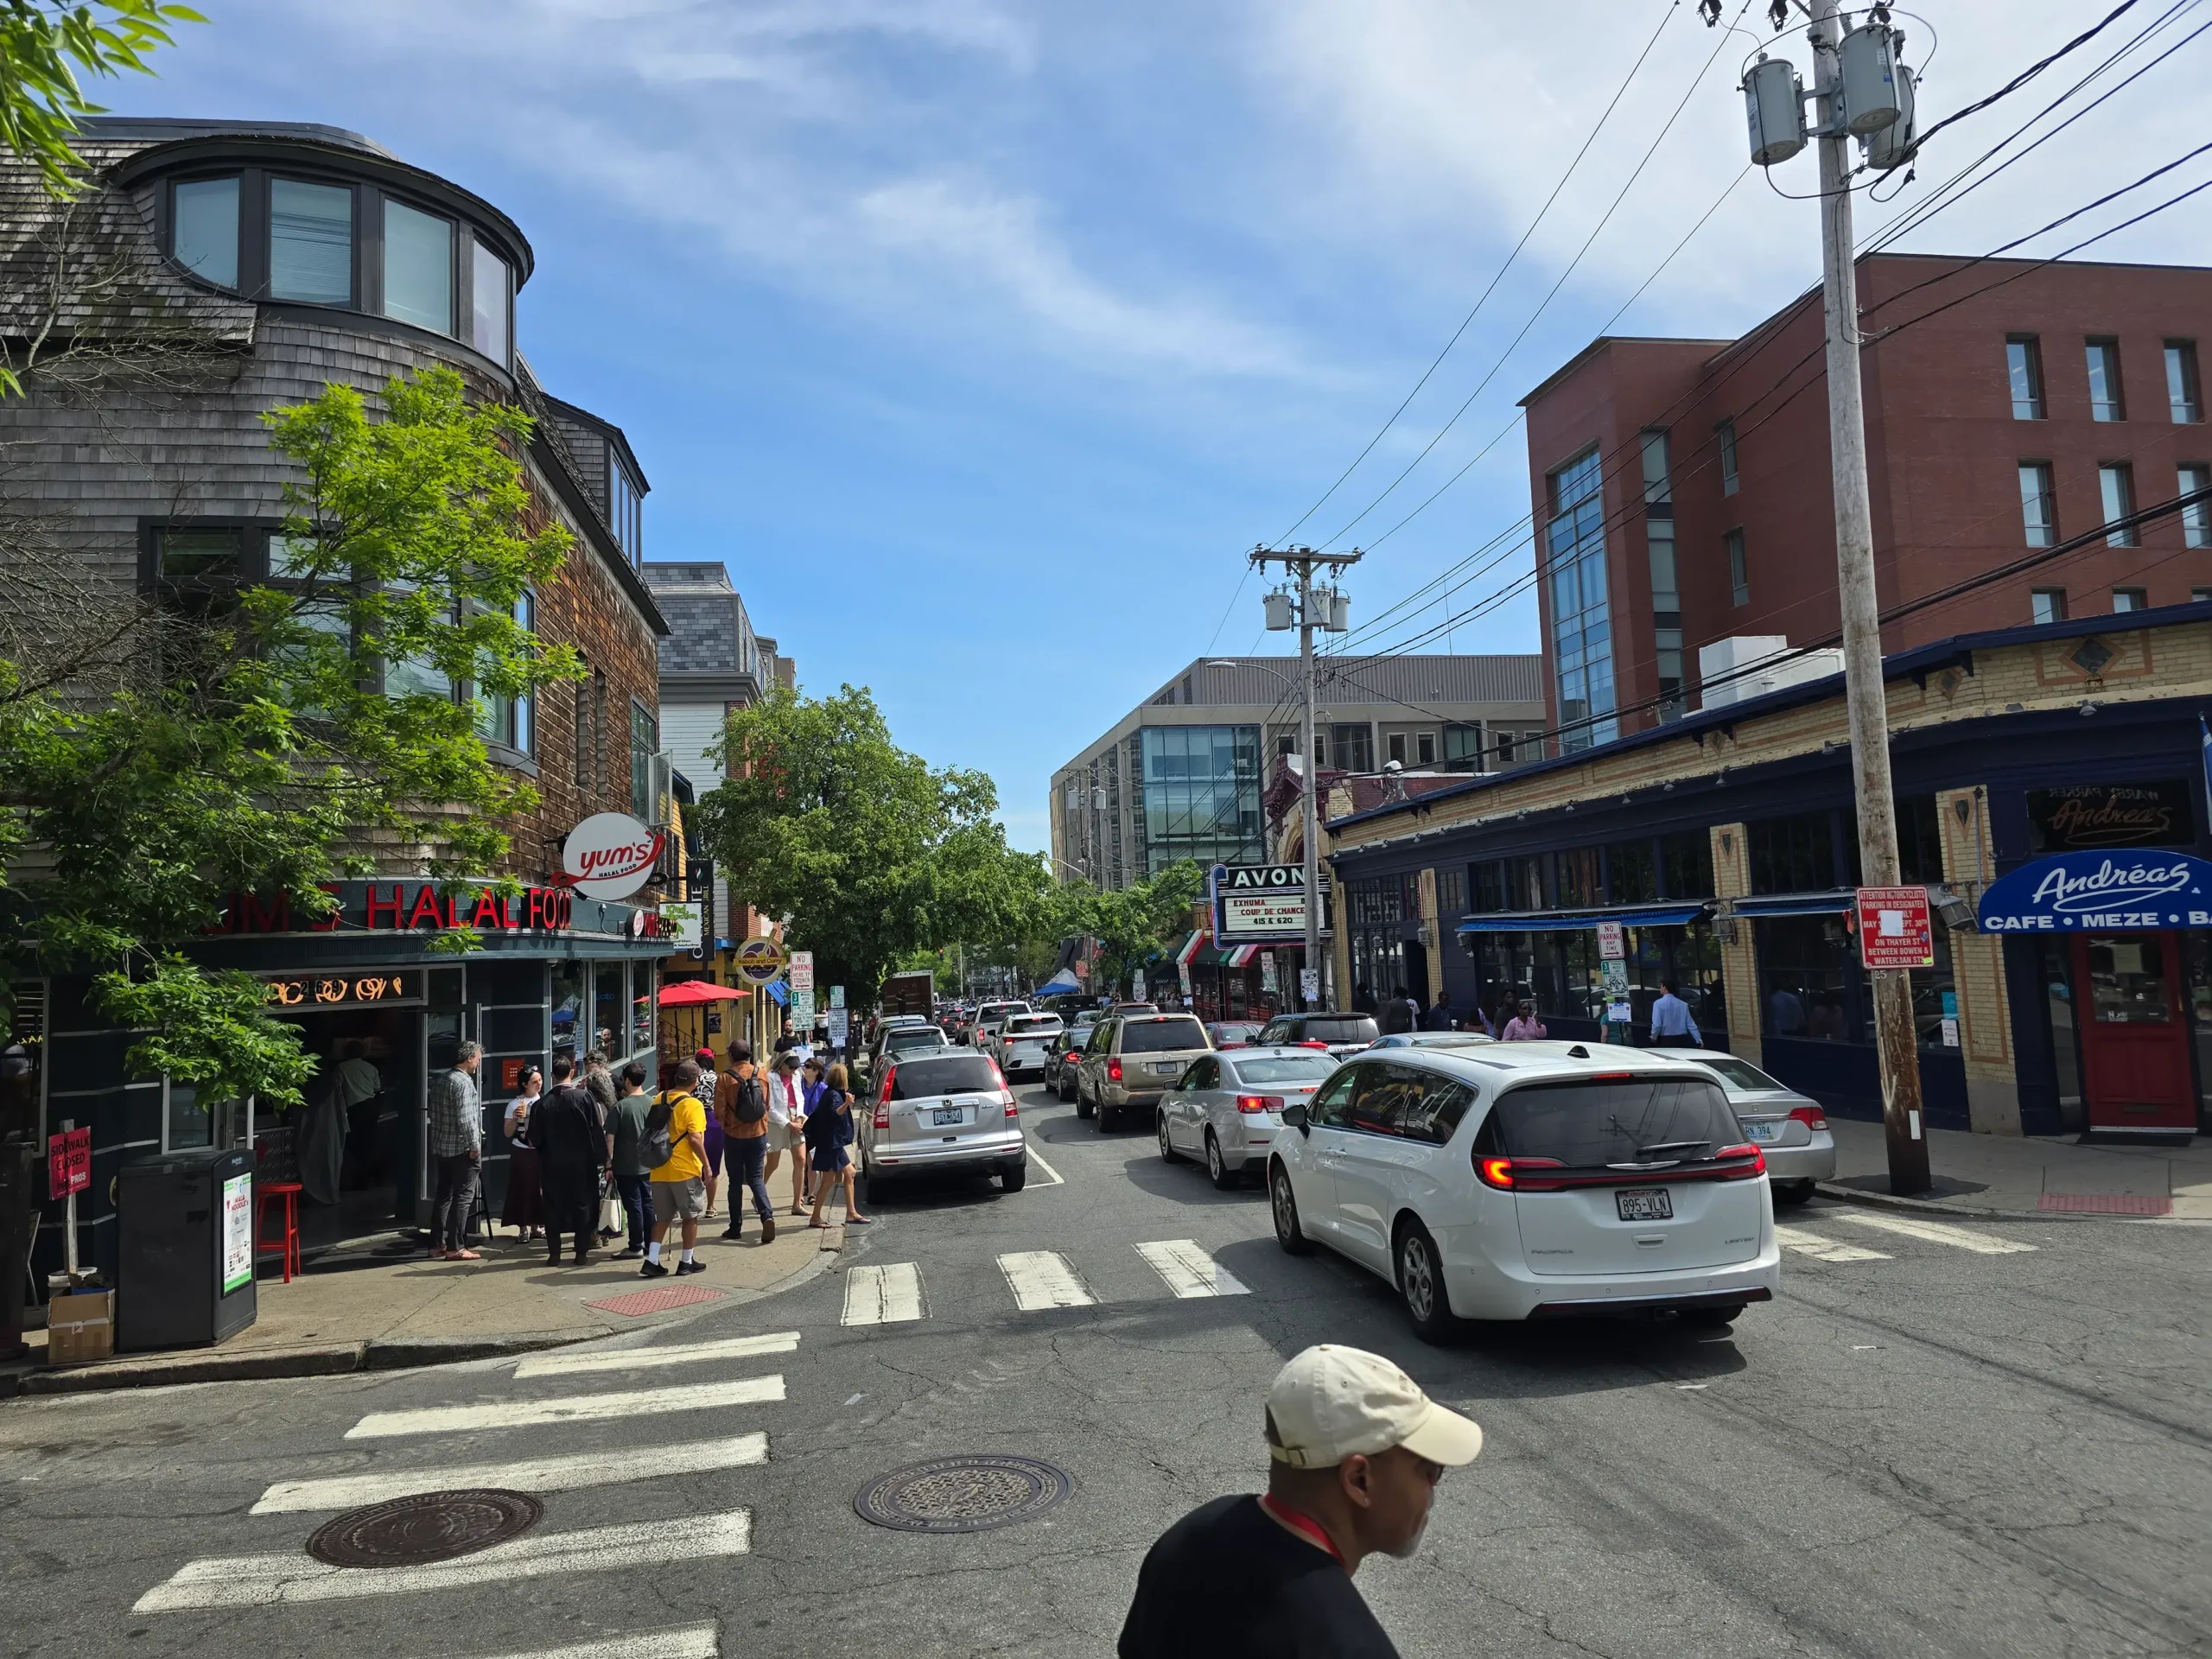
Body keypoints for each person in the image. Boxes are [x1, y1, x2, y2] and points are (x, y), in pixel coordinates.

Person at [1118, 1344, 1484, 1659]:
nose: (1433, 1492)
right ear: (1359, 1480)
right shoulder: (1348, 1645)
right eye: (1430, 1470)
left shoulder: (1187, 1538)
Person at [532, 1054, 607, 1265]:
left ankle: (554, 1253)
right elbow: (596, 1130)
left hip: (552, 1164)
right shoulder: (584, 1098)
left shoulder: (542, 1104)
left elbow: (534, 1138)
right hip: (582, 1163)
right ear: (572, 1072)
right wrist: (604, 1159)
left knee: (553, 1207)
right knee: (583, 1205)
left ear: (551, 1075)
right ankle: (581, 1252)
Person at [640, 1058, 710, 1278]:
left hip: (659, 1167)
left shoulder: (659, 1098)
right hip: (684, 1168)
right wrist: (706, 1166)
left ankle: (652, 1261)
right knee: (690, 1217)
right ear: (695, 1082)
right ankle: (686, 1262)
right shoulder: (693, 1104)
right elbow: (695, 1139)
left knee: (663, 1218)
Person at [428, 1041, 484, 1262]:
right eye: (477, 1059)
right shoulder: (463, 1083)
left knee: (444, 1195)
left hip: (443, 1147)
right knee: (463, 1198)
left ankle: (436, 1244)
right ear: (469, 1058)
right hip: (462, 1150)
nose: (478, 1063)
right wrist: (474, 1146)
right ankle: (455, 1247)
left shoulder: (441, 1080)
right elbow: (466, 1119)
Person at [716, 1040, 777, 1244]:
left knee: (735, 1182)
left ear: (731, 1056)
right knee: (756, 1177)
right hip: (758, 1134)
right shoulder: (761, 1074)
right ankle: (767, 1215)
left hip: (734, 1136)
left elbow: (719, 1112)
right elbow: (766, 1104)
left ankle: (735, 1227)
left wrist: (728, 1126)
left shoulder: (725, 1078)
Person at [804, 1058, 872, 1228]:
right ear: (842, 1079)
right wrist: (847, 1104)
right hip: (829, 1144)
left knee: (849, 1173)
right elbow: (835, 1113)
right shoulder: (833, 1095)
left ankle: (851, 1212)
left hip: (832, 1143)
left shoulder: (831, 1092)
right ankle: (816, 1218)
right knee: (827, 1181)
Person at [607, 1060, 653, 1260]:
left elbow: (609, 1139)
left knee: (633, 1206)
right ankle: (651, 1243)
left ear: (626, 1081)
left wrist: (608, 1163)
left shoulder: (620, 1108)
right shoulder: (652, 1103)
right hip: (649, 1164)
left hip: (625, 1166)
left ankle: (635, 1245)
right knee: (648, 1204)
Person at [500, 1065, 545, 1241]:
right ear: (525, 1084)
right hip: (522, 1151)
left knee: (539, 1190)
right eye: (535, 1082)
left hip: (539, 1151)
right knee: (522, 1189)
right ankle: (523, 1229)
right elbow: (507, 1132)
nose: (539, 1084)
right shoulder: (514, 1104)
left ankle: (537, 1226)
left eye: (540, 1080)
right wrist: (516, 1118)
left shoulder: (544, 1101)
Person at [334, 1039, 385, 1188]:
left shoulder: (340, 1068)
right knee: (370, 1142)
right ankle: (372, 1177)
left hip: (354, 1109)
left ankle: (357, 1180)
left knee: (354, 1144)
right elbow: (378, 1089)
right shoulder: (370, 1067)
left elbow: (336, 1088)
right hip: (371, 1107)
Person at [767, 1049, 810, 1217]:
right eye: (790, 1068)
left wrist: (799, 1117)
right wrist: (788, 1123)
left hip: (796, 1116)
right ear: (782, 1065)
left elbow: (800, 1097)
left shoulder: (797, 1075)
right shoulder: (770, 1078)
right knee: (773, 1163)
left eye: (795, 1068)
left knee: (801, 1159)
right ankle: (759, 1194)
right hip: (778, 1121)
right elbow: (769, 1108)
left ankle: (797, 1203)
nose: (793, 1071)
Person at [694, 1046, 725, 1219]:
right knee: (712, 1167)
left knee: (695, 1165)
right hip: (714, 1122)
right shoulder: (719, 1078)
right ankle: (711, 1207)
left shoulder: (691, 1078)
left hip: (694, 1121)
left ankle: (694, 1205)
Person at [1649, 978, 1702, 1048]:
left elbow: (1657, 1025)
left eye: (1661, 986)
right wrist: (1698, 1040)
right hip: (1682, 1040)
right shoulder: (1683, 1004)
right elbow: (1691, 1025)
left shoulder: (1658, 1004)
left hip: (1666, 1040)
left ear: (1665, 987)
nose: (1660, 988)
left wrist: (1653, 1037)